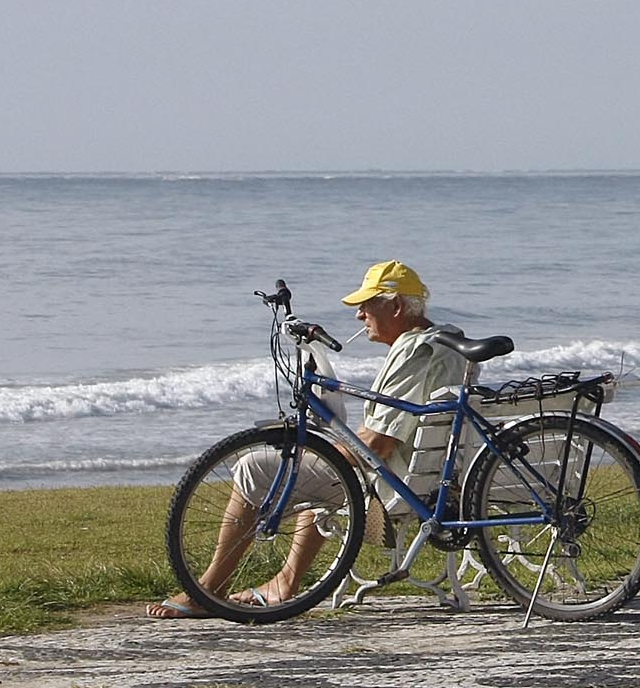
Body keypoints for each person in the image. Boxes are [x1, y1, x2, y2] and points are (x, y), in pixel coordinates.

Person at [152, 260, 471, 618]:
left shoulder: (414, 351)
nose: (359, 315)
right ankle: (285, 582)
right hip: (426, 470)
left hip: (394, 481)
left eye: (367, 305)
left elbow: (379, 445)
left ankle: (207, 590)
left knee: (253, 467)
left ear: (396, 307)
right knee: (319, 464)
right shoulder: (446, 339)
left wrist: (332, 450)